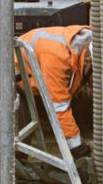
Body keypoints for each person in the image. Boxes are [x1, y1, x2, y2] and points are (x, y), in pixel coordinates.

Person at [17, 25, 92, 156]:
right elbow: (59, 107)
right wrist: (78, 148)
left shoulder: (88, 44)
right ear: (87, 61)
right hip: (16, 75)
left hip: (41, 66)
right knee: (18, 142)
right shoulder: (58, 57)